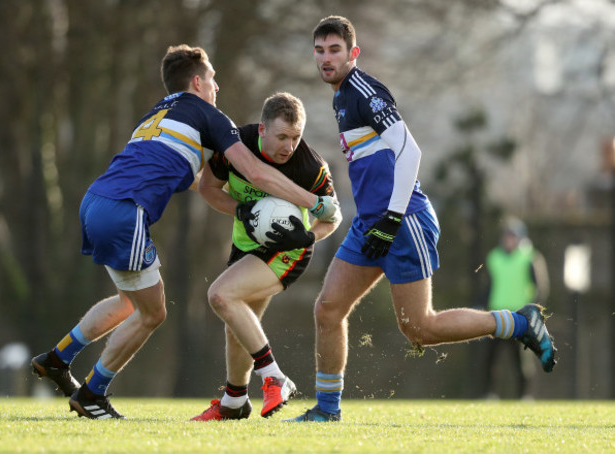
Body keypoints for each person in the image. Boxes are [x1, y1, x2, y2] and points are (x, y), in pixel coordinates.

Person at [30, 44, 339, 419]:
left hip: (95, 201)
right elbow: (255, 173)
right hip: (125, 212)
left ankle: (59, 357)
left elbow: (187, 174)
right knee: (153, 313)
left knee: (130, 301)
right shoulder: (211, 117)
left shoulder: (157, 113)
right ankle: (93, 393)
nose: (217, 87)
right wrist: (313, 202)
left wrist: (242, 207)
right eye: (212, 79)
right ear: (197, 82)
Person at [286, 16, 557, 422]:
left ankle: (518, 323)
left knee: (420, 328)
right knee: (327, 308)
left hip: (402, 219)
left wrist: (392, 219)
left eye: (335, 50)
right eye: (320, 51)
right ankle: (327, 411)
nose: (326, 59)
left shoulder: (363, 90)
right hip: (371, 222)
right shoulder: (340, 97)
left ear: (352, 54)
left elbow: (410, 152)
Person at [189, 92, 341, 421]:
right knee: (237, 323)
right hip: (246, 245)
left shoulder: (310, 166)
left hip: (287, 251)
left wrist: (308, 235)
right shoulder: (235, 148)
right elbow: (208, 189)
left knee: (220, 295)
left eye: (296, 137)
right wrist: (239, 209)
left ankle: (274, 377)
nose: (289, 146)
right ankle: (234, 401)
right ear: (262, 130)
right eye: (282, 137)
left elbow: (333, 218)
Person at [481, 217, 550, 399]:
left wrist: (535, 310)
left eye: (512, 237)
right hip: (496, 314)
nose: (509, 240)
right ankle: (490, 394)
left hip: (520, 316)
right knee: (491, 359)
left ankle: (524, 396)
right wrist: (482, 305)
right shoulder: (494, 257)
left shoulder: (529, 257)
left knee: (520, 360)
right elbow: (489, 285)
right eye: (506, 236)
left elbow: (538, 285)